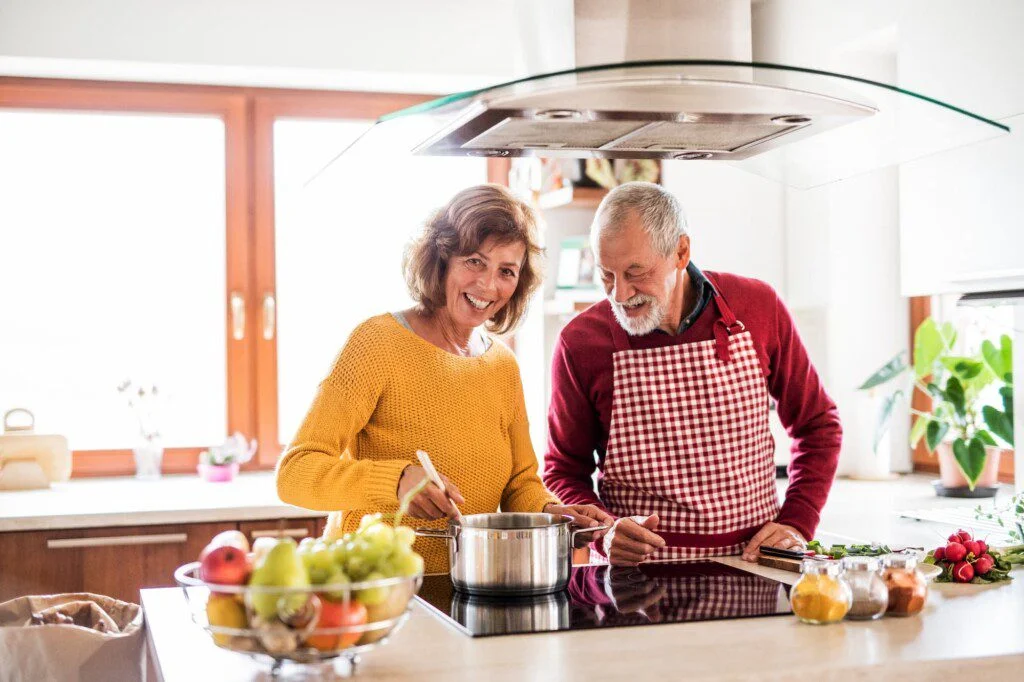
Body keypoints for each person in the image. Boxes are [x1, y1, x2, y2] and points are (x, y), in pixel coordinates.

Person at [277, 184, 611, 573]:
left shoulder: (502, 366)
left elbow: (519, 485)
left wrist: (555, 514)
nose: (488, 286)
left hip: (471, 591)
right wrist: (397, 480)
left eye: (506, 271)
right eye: (474, 261)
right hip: (374, 586)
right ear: (441, 258)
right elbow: (294, 472)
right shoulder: (377, 343)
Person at [543, 182, 842, 566]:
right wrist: (604, 534)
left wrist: (798, 522)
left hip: (754, 570)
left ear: (681, 252)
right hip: (636, 583)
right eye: (606, 275)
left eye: (636, 272)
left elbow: (819, 425)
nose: (619, 294)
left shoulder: (757, 307)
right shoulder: (580, 343)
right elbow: (563, 470)